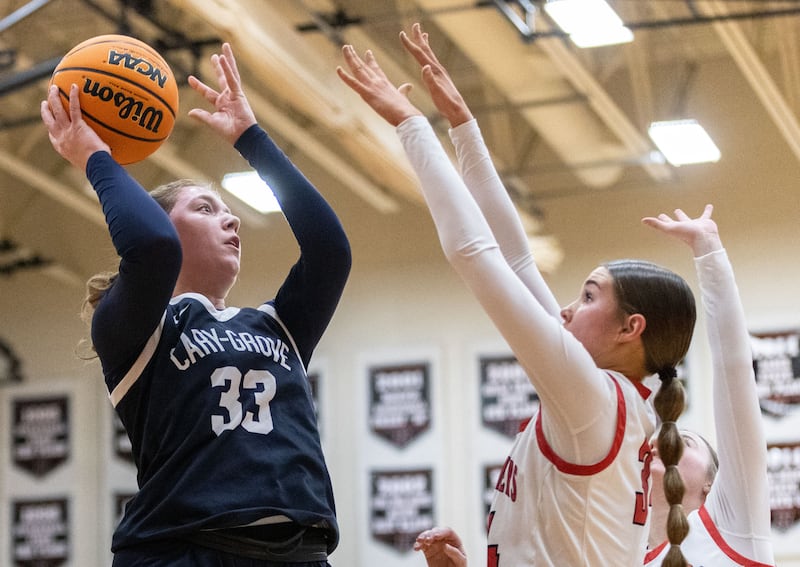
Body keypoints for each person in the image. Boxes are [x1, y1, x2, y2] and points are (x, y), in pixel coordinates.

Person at [338, 24, 695, 566]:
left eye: (589, 297)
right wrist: (463, 126)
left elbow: (475, 254)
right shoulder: (608, 403)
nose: (569, 308)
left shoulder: (593, 400)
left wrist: (412, 125)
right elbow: (516, 258)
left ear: (631, 328)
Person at [41, 42, 350, 566]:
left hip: (300, 553)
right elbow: (152, 247)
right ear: (165, 223)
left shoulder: (279, 327)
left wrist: (252, 138)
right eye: (206, 208)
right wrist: (94, 155)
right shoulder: (138, 326)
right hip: (185, 551)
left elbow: (330, 249)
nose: (231, 221)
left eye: (230, 213)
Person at [642, 206, 775, 566]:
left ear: (712, 485)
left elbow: (734, 371)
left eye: (684, 442)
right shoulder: (612, 554)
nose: (661, 445)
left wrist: (709, 251)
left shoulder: (733, 523)